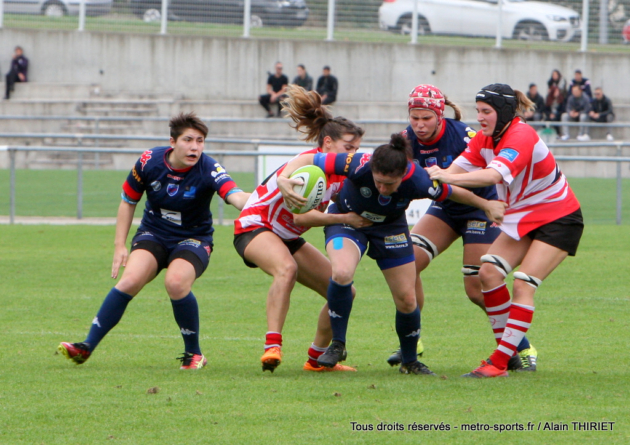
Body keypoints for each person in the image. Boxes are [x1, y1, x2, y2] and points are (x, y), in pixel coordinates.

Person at [277, 134, 506, 375]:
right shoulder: (358, 163)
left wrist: (486, 205)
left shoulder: (418, 179)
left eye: (391, 184)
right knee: (342, 272)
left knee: (407, 299)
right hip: (348, 220)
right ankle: (338, 345)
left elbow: (453, 192)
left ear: (403, 175)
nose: (383, 189)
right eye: (378, 182)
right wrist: (284, 177)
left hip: (390, 228)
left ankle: (409, 361)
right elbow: (311, 158)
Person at [58, 113, 250, 369]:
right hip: (154, 233)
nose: (195, 147)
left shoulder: (209, 167)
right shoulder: (149, 161)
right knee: (131, 280)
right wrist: (119, 245)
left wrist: (260, 199)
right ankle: (86, 346)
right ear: (172, 141)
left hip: (193, 237)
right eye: (188, 140)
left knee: (176, 282)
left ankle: (194, 353)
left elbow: (234, 195)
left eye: (200, 141)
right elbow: (128, 202)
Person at [427, 83, 584, 378]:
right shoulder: (485, 138)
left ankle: (499, 362)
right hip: (524, 216)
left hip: (560, 217)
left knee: (523, 283)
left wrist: (443, 176)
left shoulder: (520, 135)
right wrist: (416, 177)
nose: (481, 117)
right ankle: (504, 354)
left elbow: (493, 174)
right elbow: (456, 172)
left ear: (503, 112)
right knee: (487, 273)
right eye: (478, 111)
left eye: (486, 111)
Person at [385, 84, 535, 372]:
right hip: (445, 208)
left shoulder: (464, 135)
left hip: (480, 206)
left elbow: (487, 175)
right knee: (407, 265)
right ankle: (411, 340)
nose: (419, 124)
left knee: (477, 290)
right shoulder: (405, 139)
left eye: (426, 118)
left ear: (440, 115)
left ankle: (523, 347)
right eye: (414, 117)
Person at [234, 84, 368, 373]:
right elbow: (300, 219)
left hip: (287, 238)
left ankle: (317, 360)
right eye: (348, 148)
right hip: (255, 227)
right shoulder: (310, 169)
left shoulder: (340, 176)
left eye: (357, 150)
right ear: (328, 144)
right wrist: (345, 218)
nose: (353, 155)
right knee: (287, 269)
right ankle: (273, 345)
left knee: (344, 292)